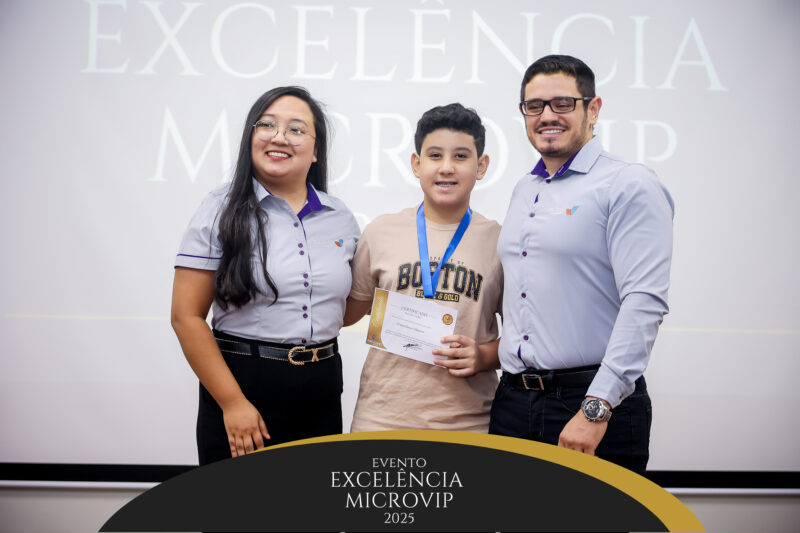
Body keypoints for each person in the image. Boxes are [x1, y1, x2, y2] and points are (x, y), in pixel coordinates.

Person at [490, 55, 674, 475]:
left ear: (593, 109)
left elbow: (644, 302)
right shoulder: (525, 189)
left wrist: (597, 406)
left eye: (562, 103)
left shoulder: (628, 183)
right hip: (513, 403)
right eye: (534, 106)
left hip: (588, 404)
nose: (546, 116)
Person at [171, 86, 360, 465]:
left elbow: (343, 310)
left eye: (296, 129)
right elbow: (185, 317)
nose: (279, 137)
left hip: (322, 386)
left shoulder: (339, 217)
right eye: (267, 125)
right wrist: (233, 403)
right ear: (251, 137)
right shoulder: (219, 209)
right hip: (244, 386)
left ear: (316, 150)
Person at [344, 103, 503, 432]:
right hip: (381, 420)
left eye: (461, 156)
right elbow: (344, 314)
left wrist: (484, 357)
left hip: (470, 424)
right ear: (417, 164)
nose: (446, 167)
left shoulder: (500, 241)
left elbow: (528, 339)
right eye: (435, 155)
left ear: (481, 166)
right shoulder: (381, 231)